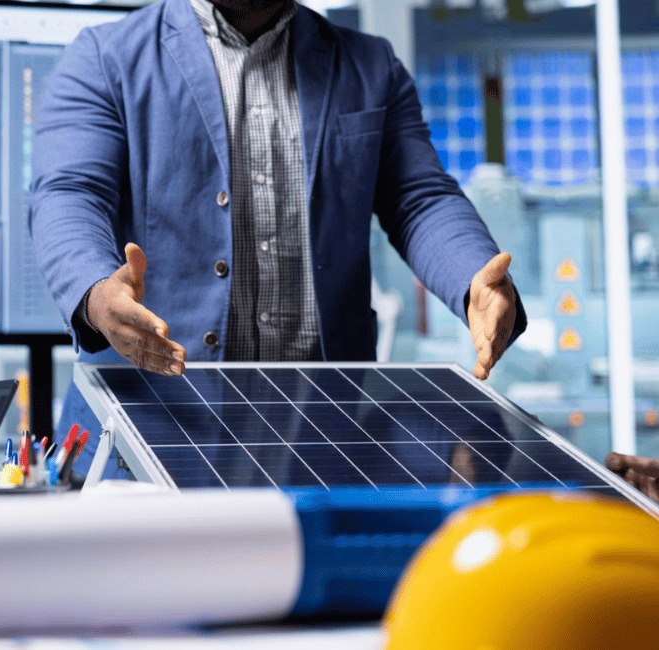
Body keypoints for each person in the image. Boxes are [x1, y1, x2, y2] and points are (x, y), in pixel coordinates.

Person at [30, 0, 527, 473]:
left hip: (318, 444)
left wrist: (472, 278)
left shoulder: (370, 66)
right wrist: (97, 293)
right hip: (144, 443)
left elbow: (420, 198)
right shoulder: (104, 56)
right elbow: (68, 195)